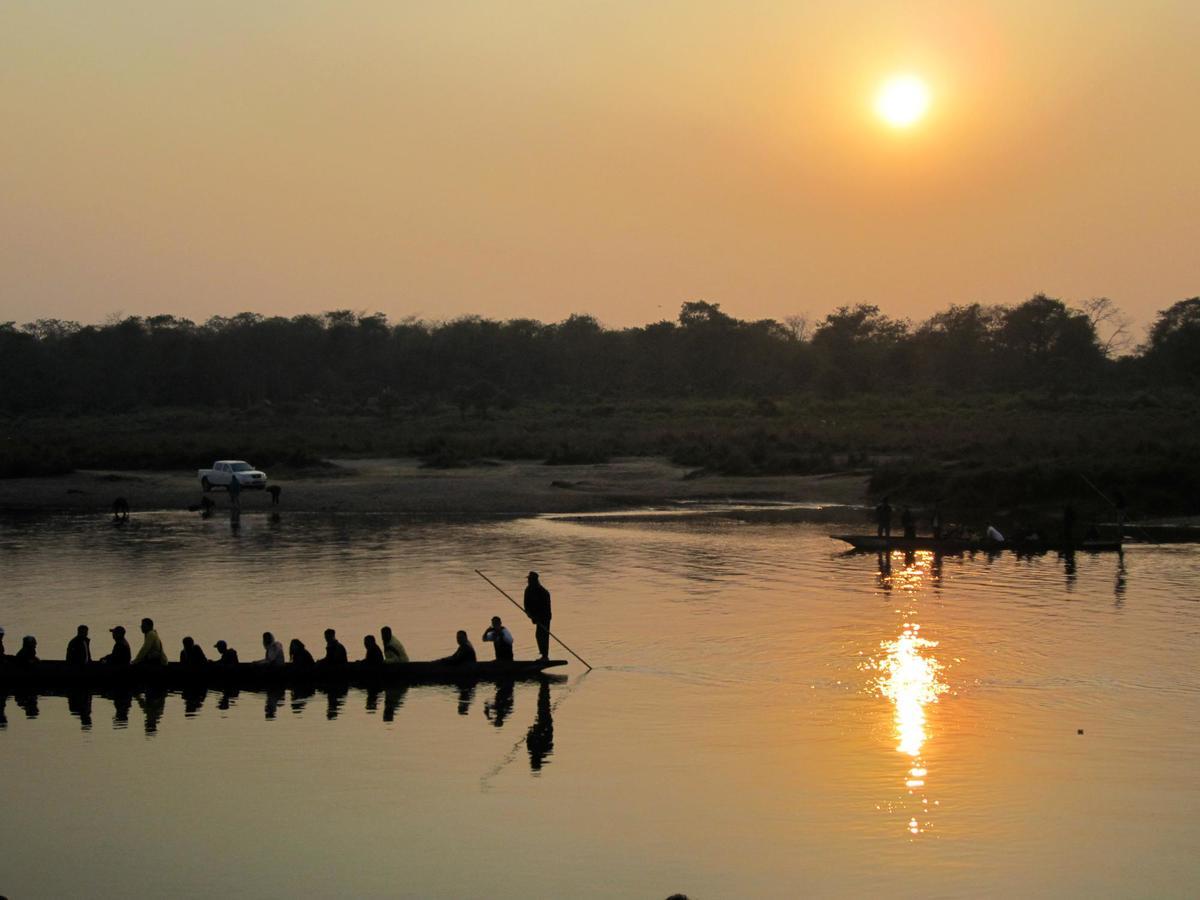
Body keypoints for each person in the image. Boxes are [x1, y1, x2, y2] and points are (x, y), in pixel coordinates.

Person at [523, 571, 553, 660]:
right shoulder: (528, 590)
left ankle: (545, 655)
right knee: (538, 635)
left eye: (529, 580)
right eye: (528, 579)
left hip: (545, 617)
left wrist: (538, 618)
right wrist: (529, 614)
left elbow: (546, 608)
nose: (528, 581)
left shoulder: (543, 592)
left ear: (534, 580)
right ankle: (543, 654)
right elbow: (526, 604)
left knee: (543, 635)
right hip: (535, 616)